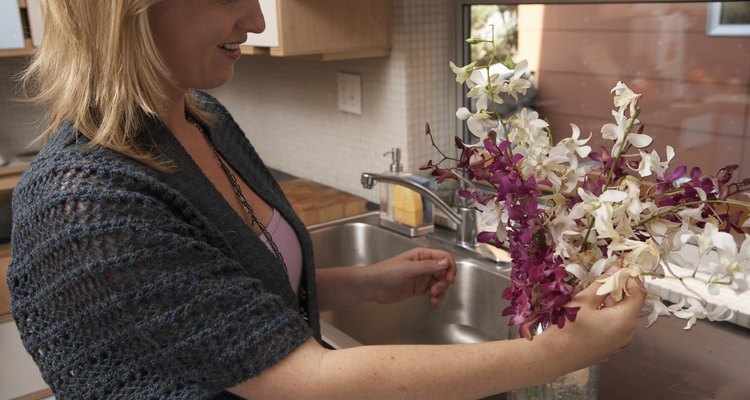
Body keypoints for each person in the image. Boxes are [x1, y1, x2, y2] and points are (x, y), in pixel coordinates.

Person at [7, 1, 646, 399]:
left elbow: (225, 302)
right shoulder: (90, 206)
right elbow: (302, 382)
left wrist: (365, 283)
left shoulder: (202, 118)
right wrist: (559, 353)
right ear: (125, 8)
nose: (256, 18)